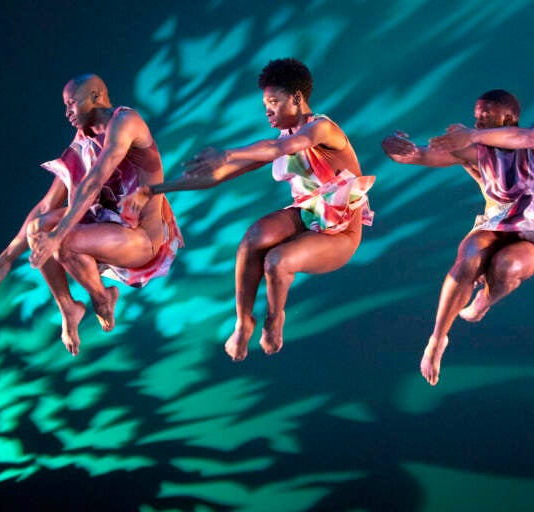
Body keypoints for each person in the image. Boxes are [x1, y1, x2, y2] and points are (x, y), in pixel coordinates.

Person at [122, 58, 375, 361]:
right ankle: (244, 322)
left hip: (342, 233)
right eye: (265, 104)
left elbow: (279, 149)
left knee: (276, 262)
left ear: (297, 98)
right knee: (253, 237)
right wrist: (154, 190)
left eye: (273, 102)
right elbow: (216, 178)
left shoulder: (322, 129)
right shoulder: (284, 137)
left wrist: (228, 152)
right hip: (306, 216)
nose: (268, 110)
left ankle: (274, 318)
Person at [0, 74, 183, 356]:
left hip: (141, 239)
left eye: (71, 104)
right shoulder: (82, 144)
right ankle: (69, 308)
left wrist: (57, 236)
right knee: (38, 228)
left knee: (62, 242)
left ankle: (101, 298)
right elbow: (47, 205)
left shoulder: (126, 122)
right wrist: (8, 256)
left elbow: (95, 180)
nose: (67, 113)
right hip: (102, 228)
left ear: (96, 97)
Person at [381, 89, 534, 386]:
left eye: (486, 116)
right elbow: (418, 156)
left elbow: (527, 139)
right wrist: (394, 145)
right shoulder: (473, 150)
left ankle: (484, 301)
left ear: (510, 117)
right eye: (476, 117)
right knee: (469, 257)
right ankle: (437, 340)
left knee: (507, 266)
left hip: (531, 237)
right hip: (493, 227)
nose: (478, 122)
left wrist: (472, 137)